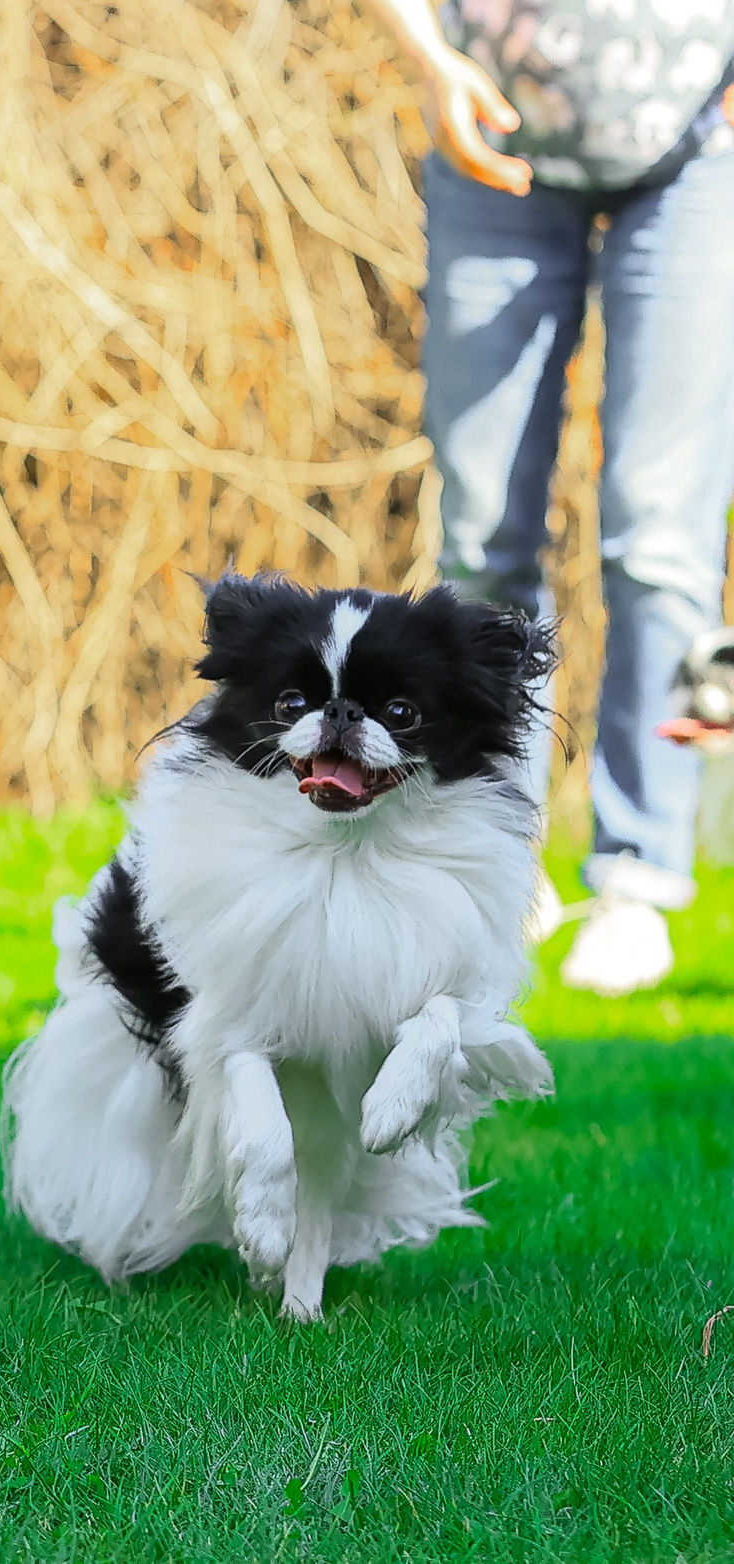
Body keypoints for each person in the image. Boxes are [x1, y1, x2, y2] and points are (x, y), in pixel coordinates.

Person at [364, 0, 734, 994]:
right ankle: (495, 863)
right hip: (492, 128)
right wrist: (430, 59)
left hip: (697, 141)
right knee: (483, 538)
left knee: (658, 536)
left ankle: (638, 876)